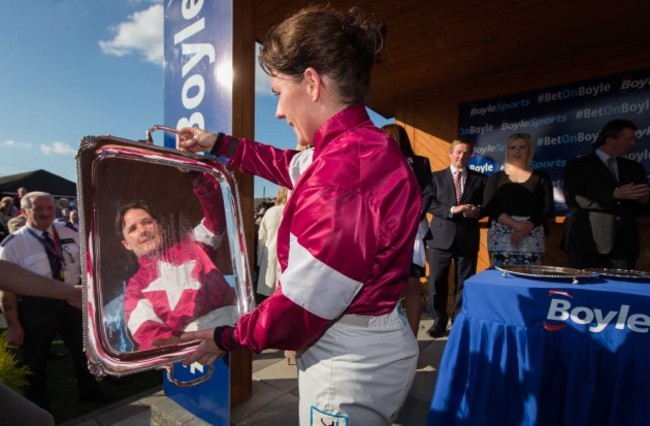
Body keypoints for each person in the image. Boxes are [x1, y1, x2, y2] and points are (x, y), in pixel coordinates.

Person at [176, 5, 420, 424]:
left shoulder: (344, 174)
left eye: (276, 92)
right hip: (366, 342)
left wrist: (228, 336)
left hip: (346, 360)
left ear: (310, 82)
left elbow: (300, 308)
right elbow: (285, 164)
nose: (276, 111)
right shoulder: (351, 149)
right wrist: (218, 143)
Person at [0, 191, 109, 410]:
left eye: (49, 208)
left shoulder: (70, 230)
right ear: (25, 211)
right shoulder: (12, 245)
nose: (46, 213)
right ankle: (38, 404)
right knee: (34, 359)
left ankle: (90, 390)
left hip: (73, 300)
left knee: (83, 350)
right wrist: (14, 325)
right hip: (37, 307)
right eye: (38, 209)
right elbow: (6, 290)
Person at [117, 172, 237, 350]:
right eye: (133, 228)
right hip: (197, 351)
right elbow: (148, 332)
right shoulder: (135, 289)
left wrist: (200, 178)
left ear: (160, 227)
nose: (143, 230)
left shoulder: (195, 245)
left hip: (237, 332)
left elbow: (216, 219)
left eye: (147, 222)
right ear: (126, 244)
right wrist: (184, 344)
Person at [0, 260, 81, 426]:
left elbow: (3, 271)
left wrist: (70, 293)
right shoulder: (14, 243)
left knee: (37, 419)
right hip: (35, 310)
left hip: (59, 303)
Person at [563, 119, 650, 269]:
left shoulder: (634, 168)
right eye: (628, 139)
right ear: (610, 140)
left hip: (623, 242)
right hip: (588, 241)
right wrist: (614, 195)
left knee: (621, 289)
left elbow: (642, 203)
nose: (632, 143)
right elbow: (575, 199)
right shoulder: (578, 166)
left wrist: (643, 199)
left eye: (634, 139)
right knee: (585, 289)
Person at [426, 139, 486, 338]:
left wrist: (477, 211)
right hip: (440, 239)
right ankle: (438, 320)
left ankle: (459, 319)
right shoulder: (435, 177)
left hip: (467, 239)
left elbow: (487, 205)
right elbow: (429, 203)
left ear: (471, 155)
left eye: (466, 153)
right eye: (458, 152)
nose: (461, 157)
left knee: (465, 283)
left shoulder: (480, 179)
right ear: (450, 153)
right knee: (436, 282)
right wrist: (452, 209)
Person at [382, 123, 432, 336]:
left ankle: (411, 338)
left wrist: (410, 217)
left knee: (412, 283)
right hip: (385, 234)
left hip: (414, 233)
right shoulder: (378, 163)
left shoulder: (420, 163)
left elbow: (428, 193)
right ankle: (389, 338)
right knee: (387, 285)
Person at [483, 133, 554, 266]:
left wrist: (526, 227)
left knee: (530, 278)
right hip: (500, 235)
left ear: (529, 150)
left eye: (522, 147)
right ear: (507, 151)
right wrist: (515, 224)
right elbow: (490, 206)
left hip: (532, 232)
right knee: (501, 277)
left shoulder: (541, 177)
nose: (517, 151)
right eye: (513, 147)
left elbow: (547, 207)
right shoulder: (496, 177)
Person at [256, 187, 288, 299]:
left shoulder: (270, 212)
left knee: (267, 296)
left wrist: (259, 262)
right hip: (287, 258)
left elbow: (261, 238)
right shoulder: (294, 212)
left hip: (269, 257)